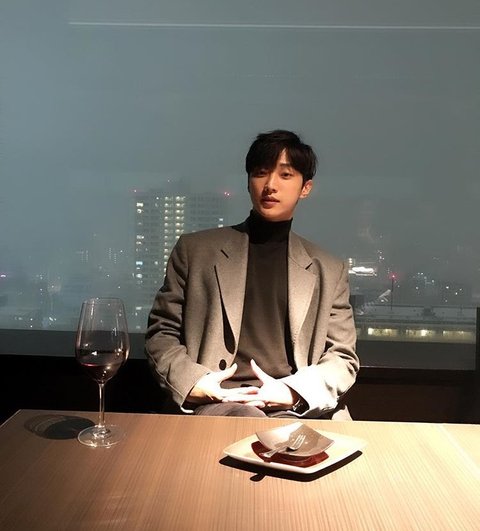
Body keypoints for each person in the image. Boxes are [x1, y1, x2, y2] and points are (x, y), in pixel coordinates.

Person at [145, 130, 358, 419]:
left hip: (292, 407)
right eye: (260, 173)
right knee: (247, 424)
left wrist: (292, 393)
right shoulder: (195, 251)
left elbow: (342, 356)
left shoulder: (328, 269)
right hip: (216, 402)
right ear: (248, 182)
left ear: (305, 187)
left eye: (285, 175)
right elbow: (161, 334)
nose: (270, 185)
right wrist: (196, 384)